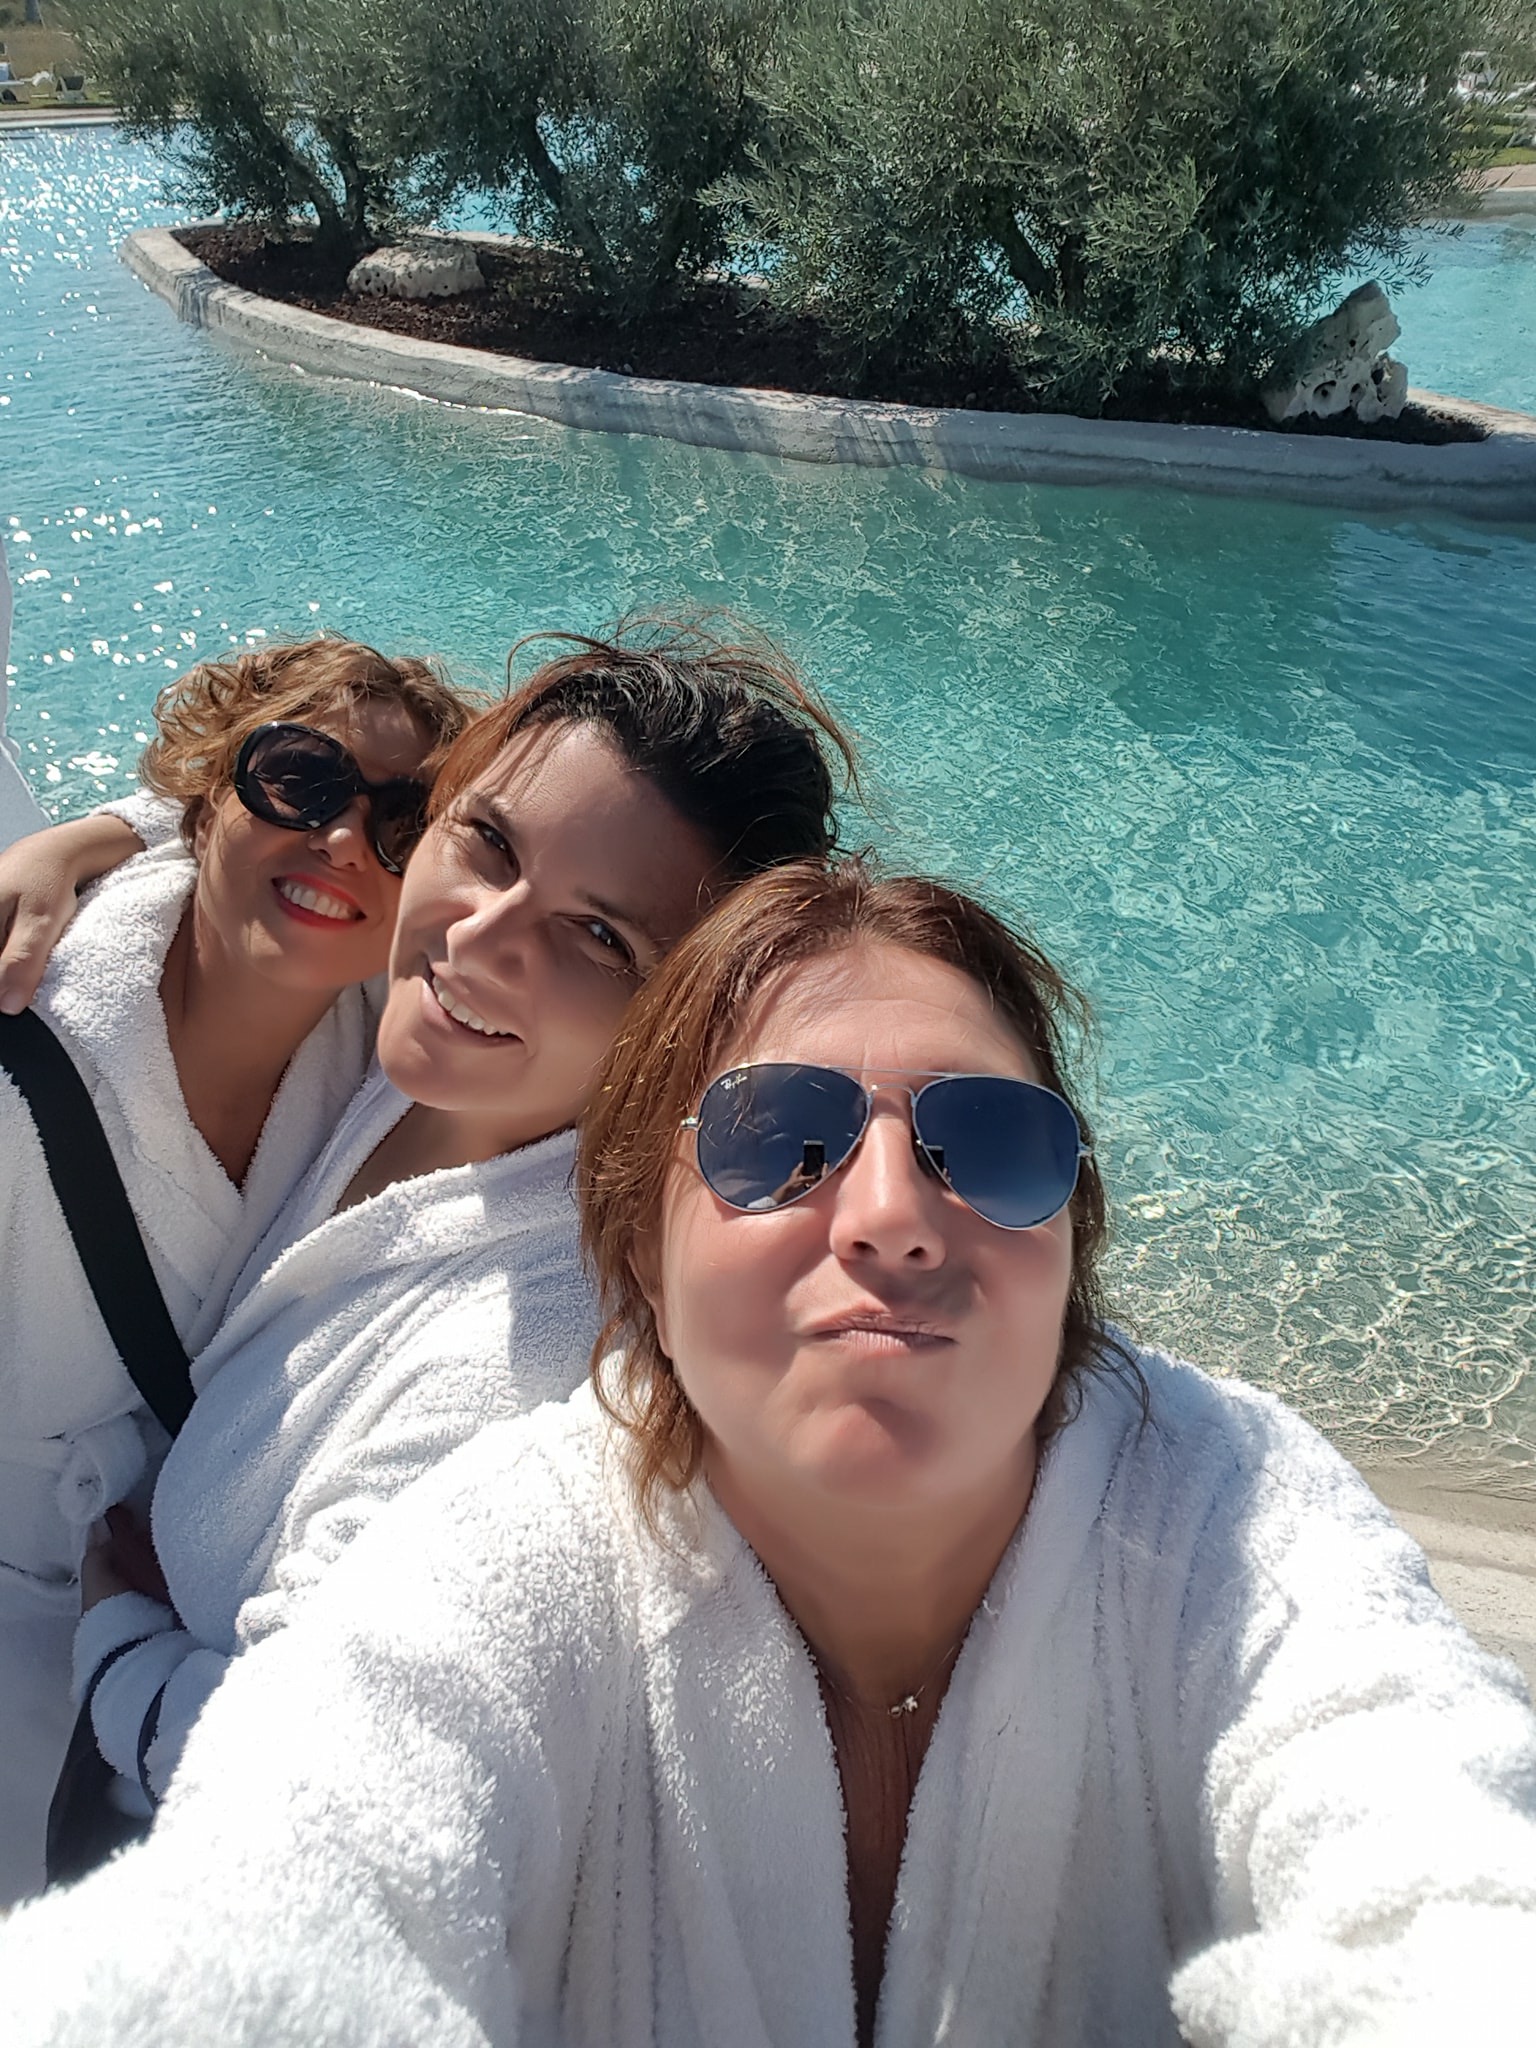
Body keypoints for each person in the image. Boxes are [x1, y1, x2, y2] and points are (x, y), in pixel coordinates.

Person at [4, 858, 1533, 2045]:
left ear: (1072, 1235)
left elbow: (1440, 1870)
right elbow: (295, 1894)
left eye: (990, 1143)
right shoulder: (516, 1562)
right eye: (776, 1138)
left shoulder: (1237, 1517)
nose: (892, 1215)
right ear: (640, 1256)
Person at [58, 622, 854, 1835]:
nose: (476, 937)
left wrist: (118, 1644)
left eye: (600, 936)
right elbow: (270, 787)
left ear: (690, 1021)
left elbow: (317, 1782)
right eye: (487, 841)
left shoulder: (525, 1365)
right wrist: (91, 839)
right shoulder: (423, 1042)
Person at [0, 635, 470, 1904]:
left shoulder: (389, 1047)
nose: (343, 840)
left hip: (190, 1648)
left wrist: (91, 830)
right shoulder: (20, 1054)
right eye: (300, 778)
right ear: (207, 796)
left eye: (401, 823)